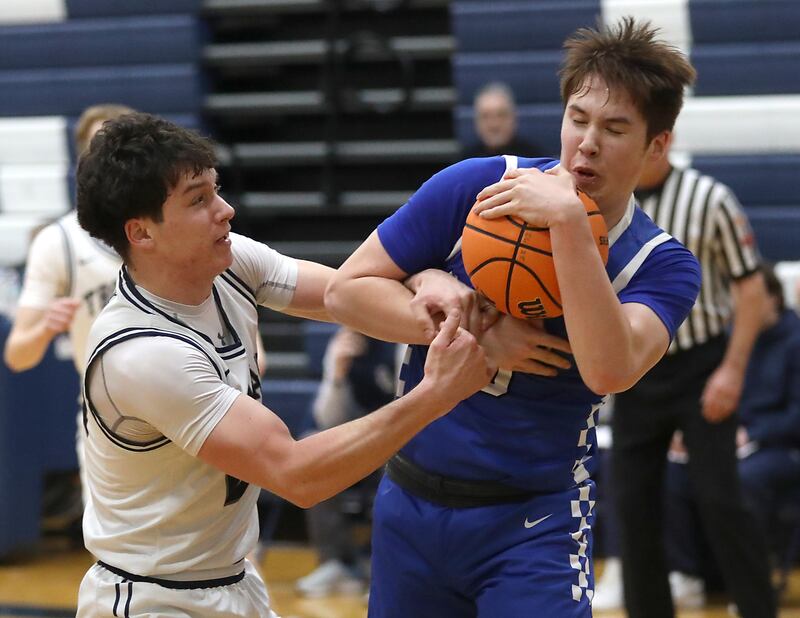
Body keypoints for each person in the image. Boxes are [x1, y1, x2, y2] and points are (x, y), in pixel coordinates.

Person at [325, 17, 701, 617]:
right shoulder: (478, 185)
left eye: (615, 128)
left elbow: (609, 369)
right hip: (410, 501)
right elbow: (346, 292)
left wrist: (571, 225)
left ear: (657, 145)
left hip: (535, 521)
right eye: (578, 119)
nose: (588, 142)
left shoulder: (662, 265)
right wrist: (471, 328)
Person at [73, 112, 493, 616]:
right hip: (152, 599)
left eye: (216, 190)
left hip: (230, 580)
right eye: (199, 200)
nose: (225, 210)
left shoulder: (229, 263)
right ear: (142, 233)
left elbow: (343, 296)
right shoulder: (142, 355)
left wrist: (423, 281)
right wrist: (437, 394)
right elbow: (298, 476)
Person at [606, 133, 775, 617]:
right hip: (638, 368)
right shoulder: (608, 202)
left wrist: (733, 371)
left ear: (660, 141)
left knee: (720, 499)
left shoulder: (710, 198)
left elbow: (751, 290)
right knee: (632, 504)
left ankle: (756, 608)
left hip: (702, 363)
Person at [3, 103, 134, 532]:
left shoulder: (180, 226)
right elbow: (18, 355)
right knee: (121, 554)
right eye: (102, 145)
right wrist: (44, 328)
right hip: (109, 418)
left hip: (195, 404)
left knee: (232, 555)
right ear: (85, 161)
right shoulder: (59, 241)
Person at [660, 263, 800, 603]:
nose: (739, 307)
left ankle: (752, 579)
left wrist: (752, 434)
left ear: (773, 300)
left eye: (746, 298)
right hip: (730, 437)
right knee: (671, 472)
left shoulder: (795, 342)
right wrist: (687, 432)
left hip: (780, 447)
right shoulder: (729, 339)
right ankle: (689, 574)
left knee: (743, 479)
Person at [295, 327, 397, 597]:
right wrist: (337, 374)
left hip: (398, 436)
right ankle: (336, 562)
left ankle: (383, 570)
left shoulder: (404, 338)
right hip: (358, 435)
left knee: (397, 464)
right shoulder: (343, 342)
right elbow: (327, 418)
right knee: (312, 451)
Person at [462, 82, 539, 158]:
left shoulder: (534, 160)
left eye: (501, 115)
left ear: (513, 118)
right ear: (476, 121)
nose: (494, 124)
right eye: (485, 116)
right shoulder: (464, 163)